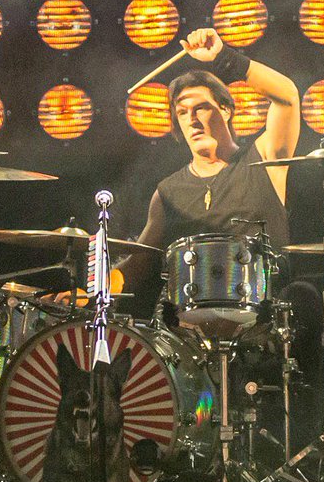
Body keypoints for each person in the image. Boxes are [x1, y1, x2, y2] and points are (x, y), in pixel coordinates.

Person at [115, 26, 300, 294]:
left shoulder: (264, 159)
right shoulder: (168, 193)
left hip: (265, 311)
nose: (192, 119)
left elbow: (288, 97)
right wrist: (88, 292)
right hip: (188, 317)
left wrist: (224, 56)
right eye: (182, 112)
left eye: (201, 108)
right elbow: (137, 266)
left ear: (225, 110)